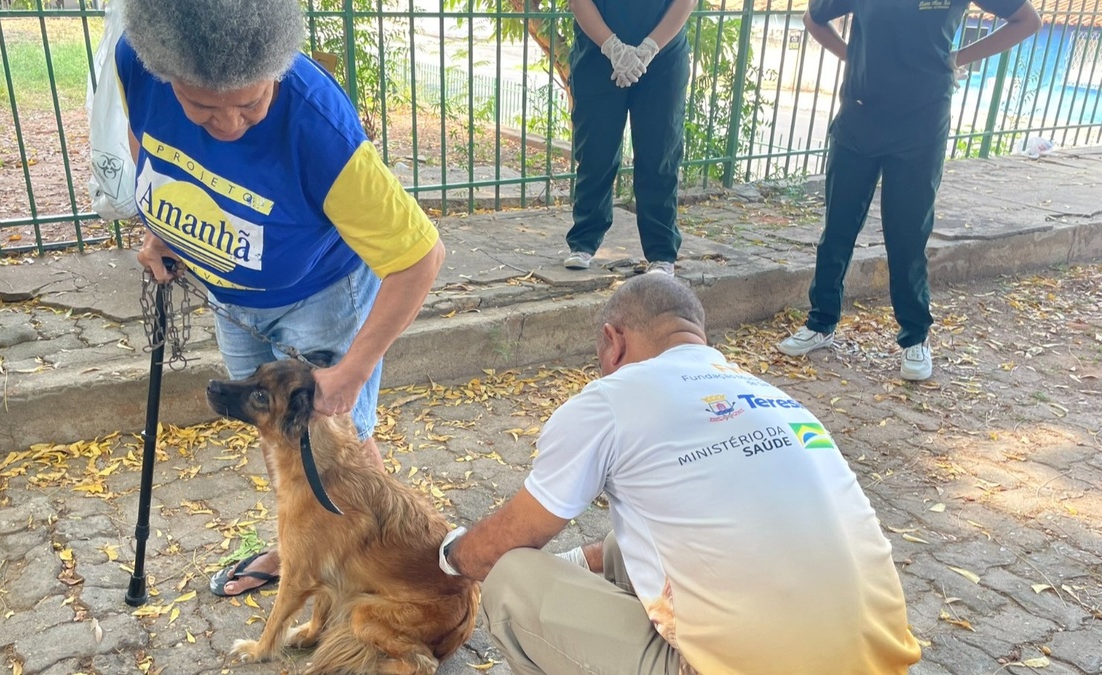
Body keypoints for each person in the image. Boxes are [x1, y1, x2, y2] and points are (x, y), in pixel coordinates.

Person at [116, 0, 445, 596]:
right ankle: (301, 549)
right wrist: (160, 228)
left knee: (339, 446)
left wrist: (351, 371)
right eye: (202, 107)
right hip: (231, 293)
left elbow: (420, 259)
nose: (229, 125)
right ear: (165, 75)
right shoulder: (136, 66)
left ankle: (377, 566)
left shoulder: (318, 127)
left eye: (249, 103)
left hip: (319, 297)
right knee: (273, 430)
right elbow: (149, 146)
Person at [437, 274, 922, 674]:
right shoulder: (773, 397)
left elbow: (497, 549)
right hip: (883, 659)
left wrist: (444, 557)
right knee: (645, 529)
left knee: (513, 577)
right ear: (697, 336)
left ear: (613, 341)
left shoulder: (610, 400)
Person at [777, 0, 1042, 380]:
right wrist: (853, 58)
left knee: (907, 234)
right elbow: (814, 17)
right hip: (860, 116)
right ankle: (820, 323)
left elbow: (1027, 20)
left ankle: (915, 336)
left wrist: (957, 58)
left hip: (921, 122)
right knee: (837, 230)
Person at [561, 0, 696, 277]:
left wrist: (649, 49)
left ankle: (661, 253)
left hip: (663, 55)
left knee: (660, 154)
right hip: (597, 53)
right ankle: (583, 241)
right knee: (595, 152)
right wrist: (613, 48)